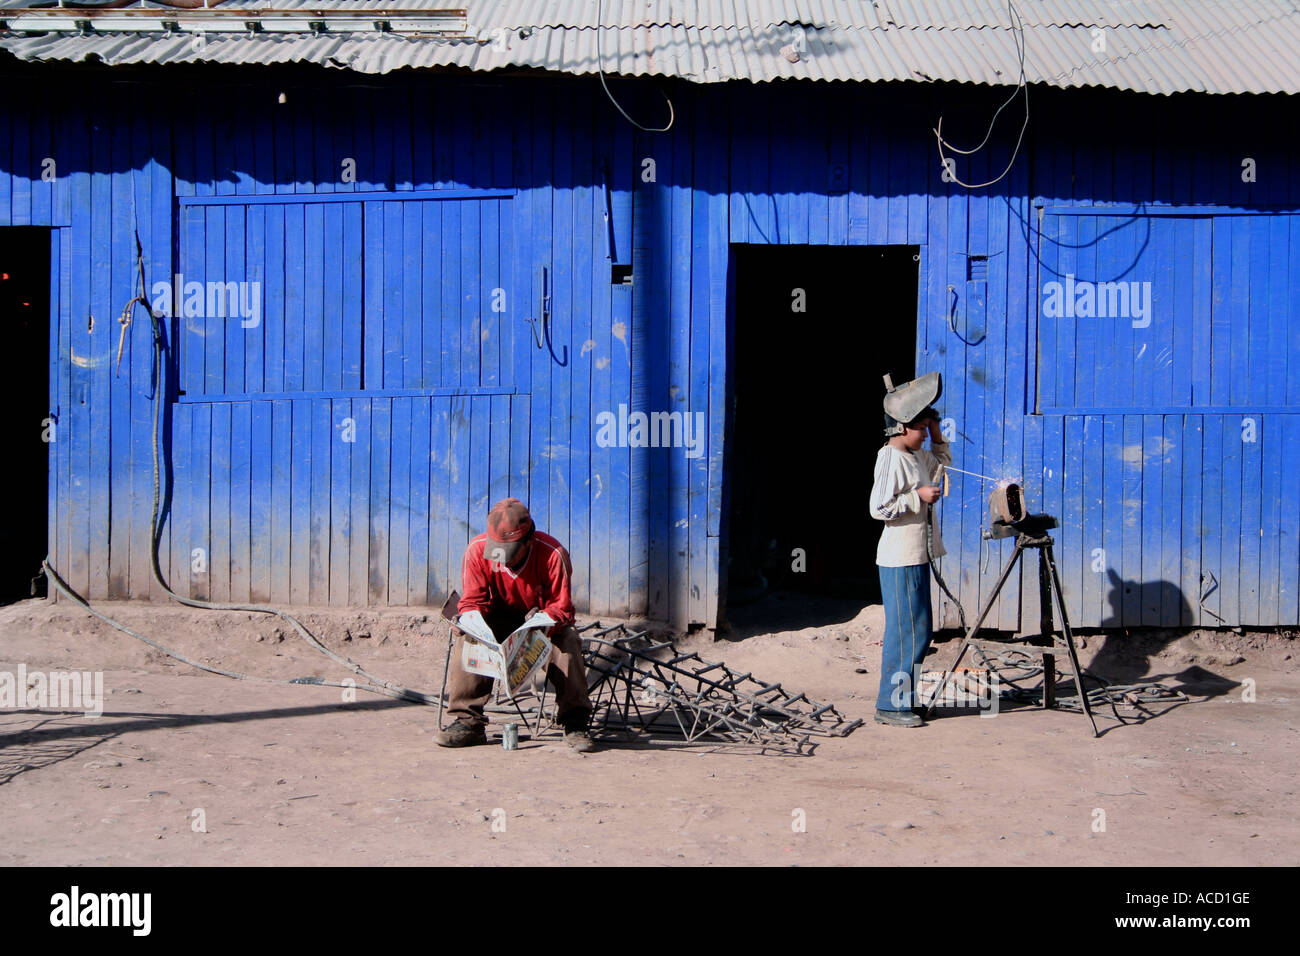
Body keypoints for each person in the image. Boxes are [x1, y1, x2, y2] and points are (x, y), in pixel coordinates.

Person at [435, 498, 596, 752]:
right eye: (496, 550)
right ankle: (468, 722)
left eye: (508, 552)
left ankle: (575, 722)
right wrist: (467, 619)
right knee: (468, 640)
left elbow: (563, 609)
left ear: (528, 541)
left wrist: (542, 620)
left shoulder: (553, 554)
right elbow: (473, 600)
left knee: (568, 642)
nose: (502, 560)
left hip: (540, 625)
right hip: (496, 622)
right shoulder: (476, 550)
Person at [869, 384, 951, 728]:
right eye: (920, 428)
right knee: (906, 632)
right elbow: (879, 507)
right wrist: (916, 497)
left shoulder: (917, 454)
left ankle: (906, 699)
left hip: (916, 554)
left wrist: (935, 431)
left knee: (920, 630)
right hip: (899, 558)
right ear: (902, 427)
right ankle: (890, 705)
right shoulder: (890, 457)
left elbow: (943, 465)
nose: (923, 435)